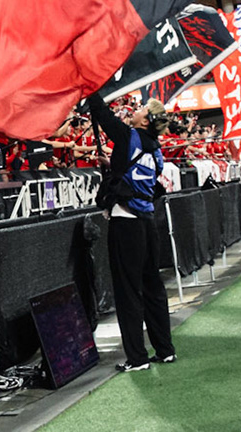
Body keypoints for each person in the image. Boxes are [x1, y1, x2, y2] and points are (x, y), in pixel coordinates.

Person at [85, 94, 177, 371]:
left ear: (146, 119)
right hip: (148, 221)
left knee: (128, 292)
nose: (134, 111)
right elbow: (137, 174)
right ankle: (165, 349)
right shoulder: (155, 147)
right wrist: (113, 167)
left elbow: (102, 114)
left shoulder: (128, 136)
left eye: (140, 110)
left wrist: (91, 87)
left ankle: (137, 358)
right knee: (153, 287)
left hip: (126, 221)